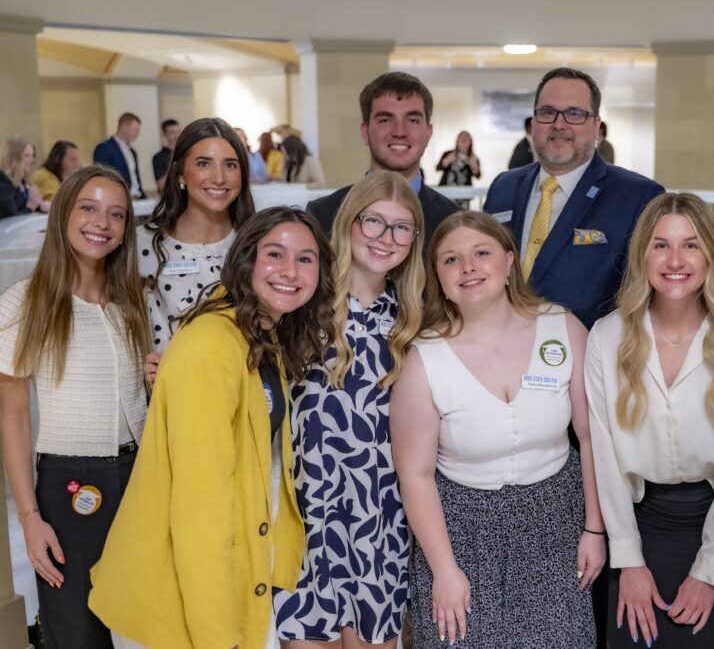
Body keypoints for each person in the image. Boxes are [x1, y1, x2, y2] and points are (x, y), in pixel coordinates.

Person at [89, 206, 336, 649]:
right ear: (246, 261)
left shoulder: (260, 335)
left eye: (306, 258)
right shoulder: (211, 347)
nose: (290, 271)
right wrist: (220, 638)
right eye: (274, 254)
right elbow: (200, 511)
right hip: (173, 603)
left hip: (226, 584)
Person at [391, 211, 606, 647]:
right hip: (460, 534)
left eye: (481, 253)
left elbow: (591, 438)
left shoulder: (562, 328)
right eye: (451, 259)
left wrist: (595, 529)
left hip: (556, 525)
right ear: (438, 277)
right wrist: (444, 570)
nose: (467, 266)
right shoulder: (425, 358)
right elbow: (415, 475)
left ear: (509, 261)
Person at [586, 192, 714, 648]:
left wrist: (710, 569)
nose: (675, 259)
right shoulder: (607, 339)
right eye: (660, 244)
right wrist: (627, 560)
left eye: (691, 244)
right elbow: (604, 458)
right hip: (636, 529)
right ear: (642, 253)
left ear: (711, 254)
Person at [0, 165, 149, 647]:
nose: (102, 223)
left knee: (143, 627)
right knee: (76, 631)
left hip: (141, 476)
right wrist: (29, 517)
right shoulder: (27, 301)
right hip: (71, 485)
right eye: (88, 207)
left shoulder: (130, 301)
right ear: (63, 212)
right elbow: (13, 415)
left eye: (116, 214)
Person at [275, 171, 425, 649]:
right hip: (308, 508)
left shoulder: (414, 316)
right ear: (349, 222)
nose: (386, 238)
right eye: (374, 222)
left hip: (380, 515)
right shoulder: (301, 302)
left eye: (402, 227)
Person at [484, 67, 662, 329]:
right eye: (547, 112)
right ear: (533, 123)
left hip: (585, 360)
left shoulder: (638, 197)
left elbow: (645, 302)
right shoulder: (503, 186)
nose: (559, 124)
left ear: (596, 126)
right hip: (495, 352)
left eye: (574, 114)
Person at [137, 117, 255, 351]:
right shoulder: (142, 245)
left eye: (230, 164)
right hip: (171, 384)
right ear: (180, 173)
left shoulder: (258, 244)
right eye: (204, 163)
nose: (219, 177)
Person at [307, 72, 459, 248]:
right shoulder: (322, 214)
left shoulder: (453, 220)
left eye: (413, 120)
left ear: (428, 133)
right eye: (386, 120)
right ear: (365, 132)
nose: (400, 131)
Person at [94, 113, 144, 199]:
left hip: (137, 198)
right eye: (135, 130)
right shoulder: (104, 148)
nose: (138, 134)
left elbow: (135, 178)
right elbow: (102, 178)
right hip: (117, 198)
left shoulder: (132, 151)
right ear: (124, 127)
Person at [0, 136, 46, 217]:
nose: (32, 160)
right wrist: (31, 207)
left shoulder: (23, 180)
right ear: (13, 157)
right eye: (27, 155)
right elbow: (10, 219)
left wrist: (41, 206)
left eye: (33, 155)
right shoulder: (3, 183)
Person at [152, 119, 180, 192]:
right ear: (164, 134)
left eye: (178, 131)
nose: (176, 135)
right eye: (172, 132)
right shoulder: (158, 157)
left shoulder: (186, 153)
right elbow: (161, 185)